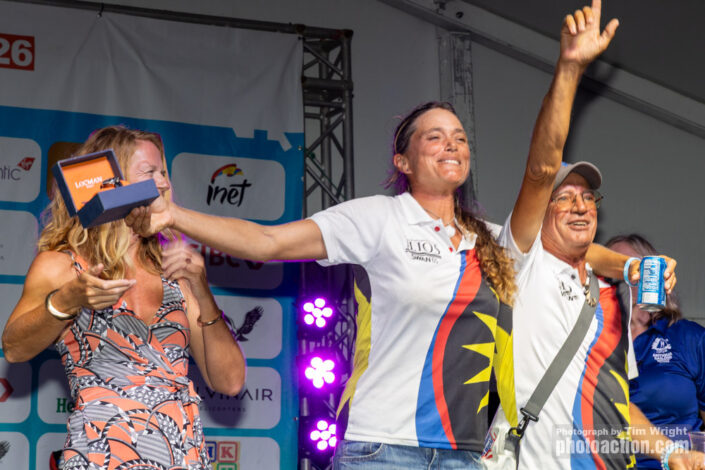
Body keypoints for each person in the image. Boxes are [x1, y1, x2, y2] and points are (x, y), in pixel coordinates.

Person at [496, 1, 698, 469]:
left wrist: (672, 453)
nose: (580, 205)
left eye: (588, 197)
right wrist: (569, 70)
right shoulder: (521, 260)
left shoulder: (606, 298)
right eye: (564, 197)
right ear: (539, 211)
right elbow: (542, 166)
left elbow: (617, 402)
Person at [1, 126, 246, 469]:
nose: (163, 183)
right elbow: (14, 348)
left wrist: (202, 290)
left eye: (164, 172)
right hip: (100, 455)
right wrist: (68, 299)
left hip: (183, 456)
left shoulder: (174, 268)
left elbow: (230, 382)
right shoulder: (62, 265)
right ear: (108, 183)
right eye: (149, 172)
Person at [607, 234, 705, 469]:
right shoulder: (593, 343)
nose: (624, 276)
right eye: (615, 269)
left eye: (632, 267)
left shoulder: (688, 338)